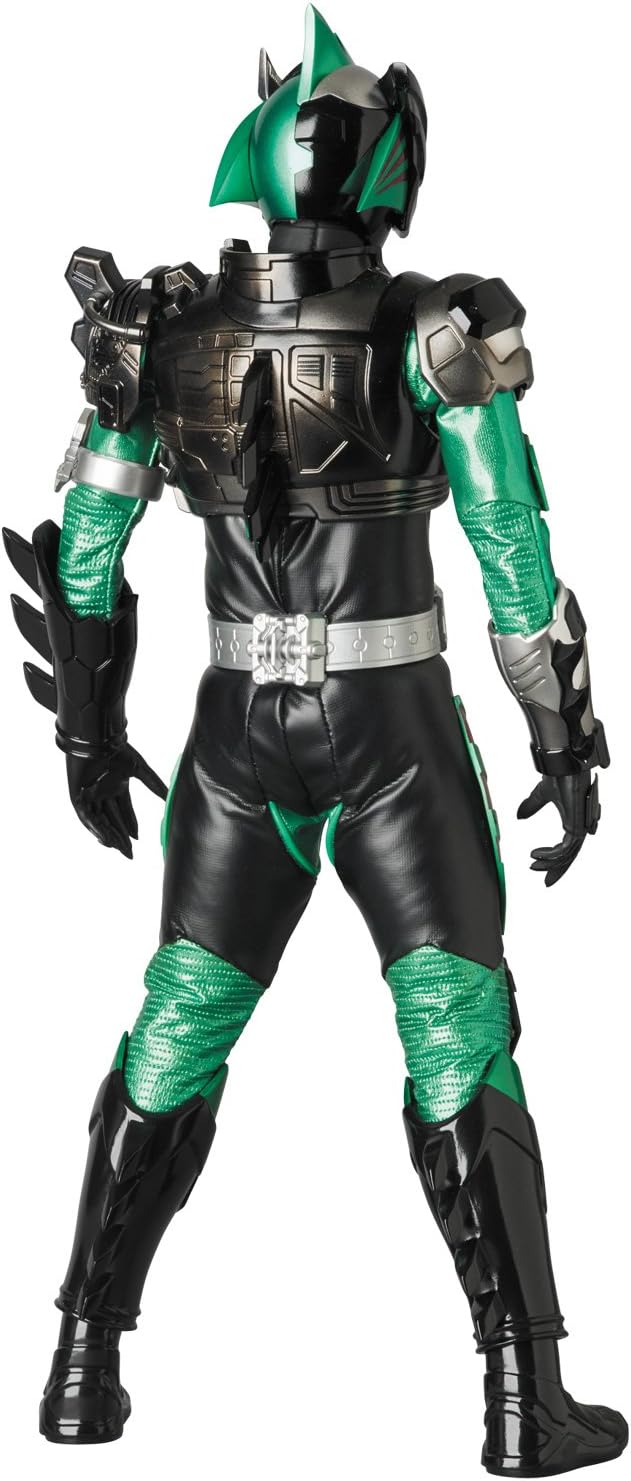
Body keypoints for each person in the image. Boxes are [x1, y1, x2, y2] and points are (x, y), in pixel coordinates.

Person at [4, 7, 626, 1473]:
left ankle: (81, 1366)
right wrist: (563, 731)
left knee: (176, 1022)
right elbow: (510, 549)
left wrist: (87, 731)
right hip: (392, 727)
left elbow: (86, 547)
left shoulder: (162, 332)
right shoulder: (434, 328)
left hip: (235, 735)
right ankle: (524, 1400)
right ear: (389, 166)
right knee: (456, 1028)